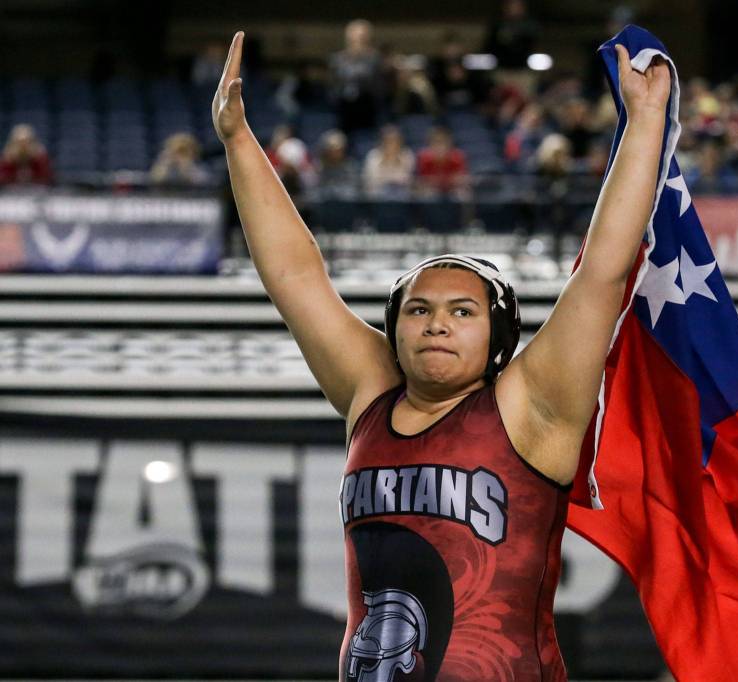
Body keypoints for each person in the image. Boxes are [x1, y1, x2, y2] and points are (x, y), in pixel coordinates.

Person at [212, 30, 669, 681]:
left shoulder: (530, 403)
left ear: (499, 337)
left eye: (462, 312)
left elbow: (601, 270)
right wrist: (237, 142)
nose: (436, 325)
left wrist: (645, 123)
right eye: (419, 311)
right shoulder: (372, 393)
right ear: (395, 332)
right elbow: (295, 276)